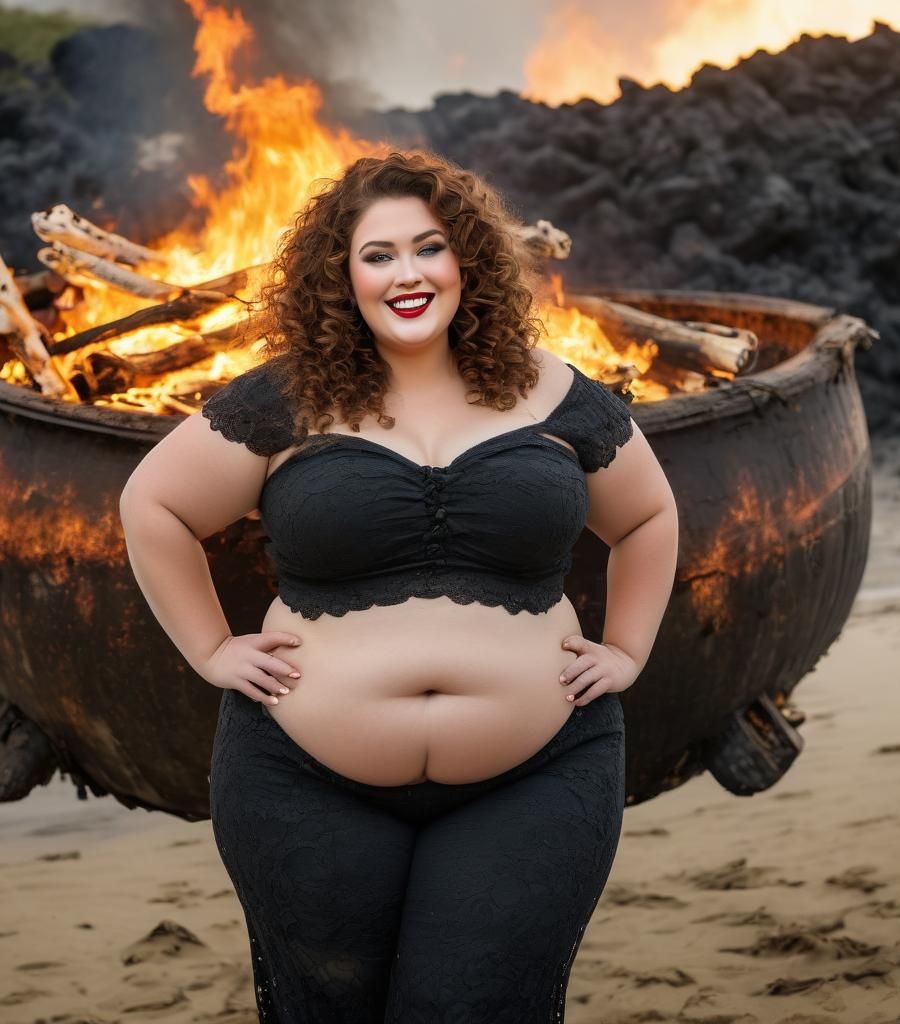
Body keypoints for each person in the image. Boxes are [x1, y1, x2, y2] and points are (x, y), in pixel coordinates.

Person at [120, 149, 679, 1023]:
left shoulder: (556, 394)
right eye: (377, 255)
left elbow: (646, 518)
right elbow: (153, 505)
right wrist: (211, 648)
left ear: (469, 261)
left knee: (472, 1006)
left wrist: (630, 650)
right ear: (341, 277)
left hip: (538, 778)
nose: (407, 275)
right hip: (301, 782)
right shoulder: (285, 399)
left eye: (430, 248)